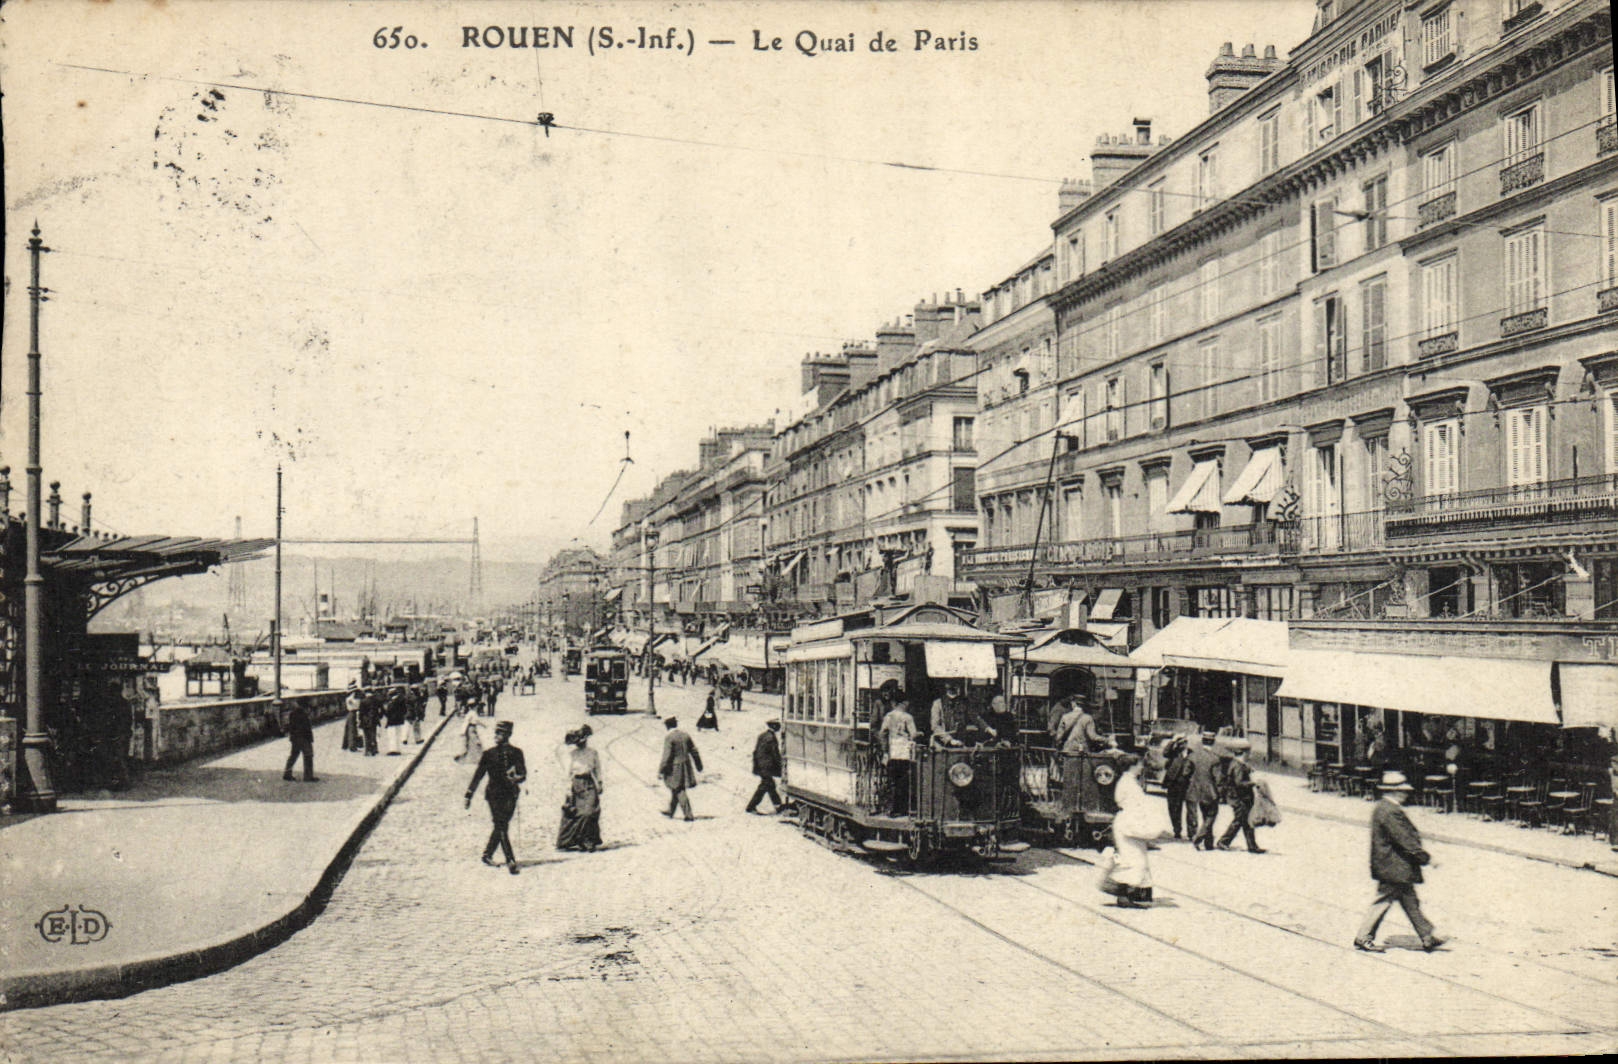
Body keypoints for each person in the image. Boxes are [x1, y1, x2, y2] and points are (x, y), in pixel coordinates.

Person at [1354, 771, 1446, 952]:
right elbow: (1405, 840)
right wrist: (1426, 859)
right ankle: (1363, 937)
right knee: (1384, 900)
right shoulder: (1390, 811)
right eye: (1403, 791)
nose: (1406, 794)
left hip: (1393, 865)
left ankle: (1427, 936)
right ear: (1393, 792)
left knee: (1409, 900)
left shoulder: (1384, 808)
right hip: (1394, 866)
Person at [1101, 754, 1170, 907]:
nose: (1141, 767)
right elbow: (1136, 804)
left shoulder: (1129, 781)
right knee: (1133, 860)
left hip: (1129, 822)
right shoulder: (1128, 783)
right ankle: (1124, 896)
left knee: (1134, 859)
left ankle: (1130, 895)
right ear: (1132, 766)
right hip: (1129, 823)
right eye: (1139, 764)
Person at [465, 720, 526, 874]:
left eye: (500, 733)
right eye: (496, 732)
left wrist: (517, 778)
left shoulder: (517, 753)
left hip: (511, 794)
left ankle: (487, 854)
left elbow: (523, 773)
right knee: (501, 824)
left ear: (508, 735)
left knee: (501, 825)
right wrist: (469, 794)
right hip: (494, 794)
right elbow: (478, 775)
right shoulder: (488, 754)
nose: (496, 736)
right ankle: (510, 860)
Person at [556, 726, 604, 851]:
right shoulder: (572, 755)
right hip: (576, 785)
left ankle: (589, 841)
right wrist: (568, 789)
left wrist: (600, 783)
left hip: (589, 784)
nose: (582, 743)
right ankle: (578, 840)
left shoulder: (593, 752)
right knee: (576, 813)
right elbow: (567, 773)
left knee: (590, 812)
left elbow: (597, 769)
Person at [1216, 739, 1266, 853]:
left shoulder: (1238, 764)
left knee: (1247, 821)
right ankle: (1223, 842)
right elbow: (1239, 783)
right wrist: (1254, 783)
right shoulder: (1238, 766)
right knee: (1239, 821)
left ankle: (1252, 846)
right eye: (1248, 752)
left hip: (1241, 798)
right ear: (1243, 752)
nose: (1249, 754)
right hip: (1239, 798)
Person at [878, 692, 918, 816]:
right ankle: (903, 809)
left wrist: (885, 750)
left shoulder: (889, 716)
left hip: (892, 752)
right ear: (904, 703)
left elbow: (883, 733)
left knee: (893, 781)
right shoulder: (908, 717)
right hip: (905, 753)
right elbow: (914, 734)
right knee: (904, 782)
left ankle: (891, 809)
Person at [658, 716, 704, 821]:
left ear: (667, 726)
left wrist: (661, 770)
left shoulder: (669, 738)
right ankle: (670, 811)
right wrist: (699, 765)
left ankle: (688, 815)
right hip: (686, 766)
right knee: (676, 788)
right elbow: (694, 751)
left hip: (674, 768)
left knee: (679, 789)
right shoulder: (685, 735)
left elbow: (666, 756)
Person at [1188, 732, 1221, 850]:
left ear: (1202, 742)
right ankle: (1199, 837)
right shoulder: (1215, 759)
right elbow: (1218, 778)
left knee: (1205, 816)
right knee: (1211, 815)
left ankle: (1209, 843)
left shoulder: (1193, 756)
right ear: (1213, 742)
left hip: (1196, 791)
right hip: (1210, 791)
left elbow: (1186, 773)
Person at [930, 680, 988, 747]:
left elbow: (974, 717)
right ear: (946, 686)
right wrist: (949, 740)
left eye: (956, 684)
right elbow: (935, 726)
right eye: (950, 684)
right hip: (942, 745)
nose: (954, 686)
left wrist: (987, 728)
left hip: (961, 743)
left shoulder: (964, 703)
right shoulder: (938, 703)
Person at [1162, 737, 1198, 841]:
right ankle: (1177, 830)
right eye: (1180, 743)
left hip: (1188, 784)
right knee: (1174, 808)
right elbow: (1165, 753)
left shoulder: (1192, 753)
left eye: (1183, 743)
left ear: (1187, 743)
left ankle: (1192, 833)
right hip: (1174, 783)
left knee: (1191, 809)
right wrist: (1172, 741)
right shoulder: (1173, 752)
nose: (1182, 745)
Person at [745, 720, 784, 815]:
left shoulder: (762, 735)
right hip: (767, 767)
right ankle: (751, 807)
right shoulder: (771, 738)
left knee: (770, 785)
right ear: (774, 726)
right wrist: (781, 765)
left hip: (760, 765)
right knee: (765, 786)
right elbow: (775, 754)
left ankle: (778, 806)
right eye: (778, 726)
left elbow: (756, 751)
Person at [282, 699, 318, 782]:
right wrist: (310, 739)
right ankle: (308, 777)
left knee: (293, 756)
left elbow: (290, 727)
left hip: (295, 738)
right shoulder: (304, 715)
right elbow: (306, 728)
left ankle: (287, 774)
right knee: (308, 755)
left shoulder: (292, 713)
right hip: (303, 738)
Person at [384, 686, 408, 755]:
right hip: (399, 720)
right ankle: (398, 749)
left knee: (392, 735)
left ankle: (393, 749)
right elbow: (404, 710)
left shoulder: (393, 702)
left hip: (392, 721)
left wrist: (385, 712)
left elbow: (389, 712)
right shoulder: (401, 700)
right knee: (397, 734)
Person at [359, 687, 381, 756]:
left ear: (366, 693)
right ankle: (375, 749)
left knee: (366, 736)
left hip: (365, 720)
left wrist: (360, 720)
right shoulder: (376, 700)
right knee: (373, 734)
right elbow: (381, 710)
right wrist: (379, 716)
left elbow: (361, 713)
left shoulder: (363, 701)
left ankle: (368, 750)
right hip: (374, 719)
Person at [342, 681, 363, 752]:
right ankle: (352, 746)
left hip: (349, 713)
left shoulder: (348, 697)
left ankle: (346, 745)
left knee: (348, 729)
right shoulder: (353, 698)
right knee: (353, 730)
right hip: (353, 713)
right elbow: (357, 705)